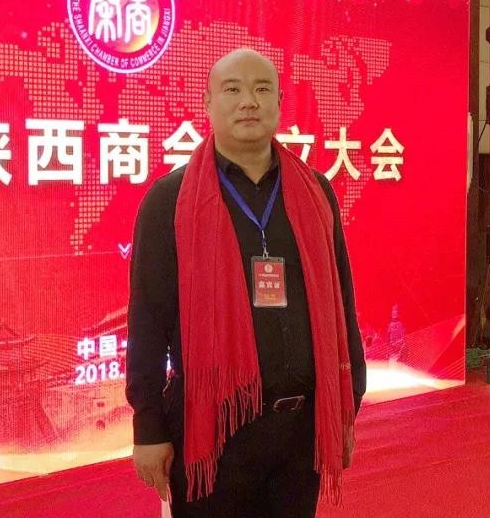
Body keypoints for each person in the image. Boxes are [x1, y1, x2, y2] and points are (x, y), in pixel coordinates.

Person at [126, 48, 366, 517]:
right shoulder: (169, 201)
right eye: (232, 89)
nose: (248, 102)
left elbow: (342, 298)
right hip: (213, 432)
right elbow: (147, 320)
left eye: (261, 89)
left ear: (279, 102)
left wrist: (347, 401)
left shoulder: (316, 191)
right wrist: (148, 426)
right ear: (208, 102)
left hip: (300, 430)